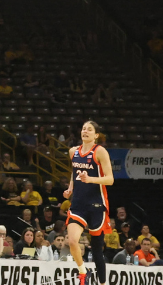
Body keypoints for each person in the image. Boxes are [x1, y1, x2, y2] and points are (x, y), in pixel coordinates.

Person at [66, 120, 115, 285]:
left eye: (89, 129)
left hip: (96, 205)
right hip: (78, 205)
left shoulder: (100, 151)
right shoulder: (73, 151)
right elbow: (75, 172)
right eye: (83, 128)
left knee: (96, 252)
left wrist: (90, 179)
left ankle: (102, 283)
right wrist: (70, 188)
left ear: (96, 135)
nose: (85, 131)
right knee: (72, 241)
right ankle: (82, 272)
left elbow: (110, 179)